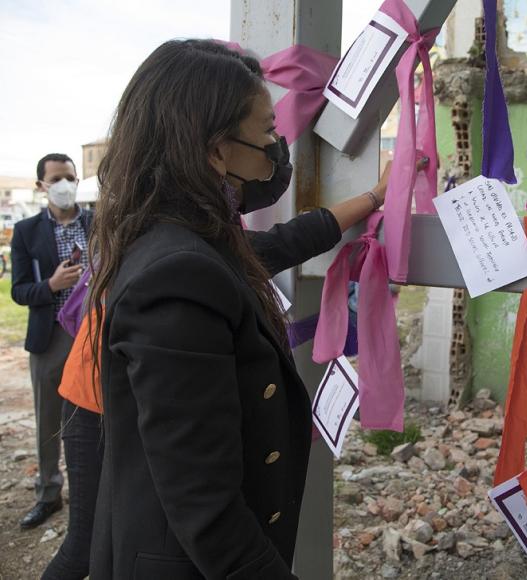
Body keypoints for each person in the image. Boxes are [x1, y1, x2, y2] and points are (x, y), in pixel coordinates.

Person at [84, 39, 411, 579]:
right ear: (216, 150)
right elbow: (204, 506)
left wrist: (374, 199)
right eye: (266, 132)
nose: (276, 146)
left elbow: (276, 245)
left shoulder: (184, 238)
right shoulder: (177, 277)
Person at [10, 153, 92, 529]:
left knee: (93, 416)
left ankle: (90, 492)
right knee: (48, 421)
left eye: (70, 177)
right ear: (42, 185)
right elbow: (19, 290)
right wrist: (51, 285)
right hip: (49, 337)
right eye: (56, 179)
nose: (65, 185)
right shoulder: (27, 231)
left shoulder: (97, 222)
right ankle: (48, 494)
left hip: (91, 334)